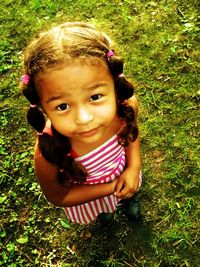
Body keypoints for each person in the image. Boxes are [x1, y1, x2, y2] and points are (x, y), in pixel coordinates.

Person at [20, 22, 142, 225]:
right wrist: (111, 188)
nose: (84, 118)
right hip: (87, 199)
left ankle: (129, 199)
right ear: (41, 106)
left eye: (95, 96)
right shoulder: (48, 152)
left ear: (114, 83)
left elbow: (131, 135)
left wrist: (133, 168)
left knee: (128, 190)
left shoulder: (125, 109)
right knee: (104, 213)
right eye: (62, 106)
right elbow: (59, 197)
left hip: (125, 175)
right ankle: (104, 214)